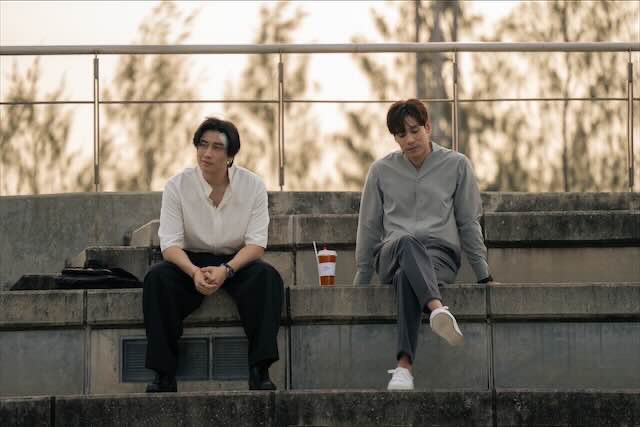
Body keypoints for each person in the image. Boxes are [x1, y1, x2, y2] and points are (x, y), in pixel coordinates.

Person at [353, 99, 494, 391]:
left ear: (428, 127)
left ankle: (404, 367)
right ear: (395, 138)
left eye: (415, 131)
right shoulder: (380, 170)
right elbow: (368, 228)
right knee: (406, 242)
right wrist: (361, 282)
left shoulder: (457, 165)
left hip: (438, 256)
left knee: (407, 276)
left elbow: (468, 223)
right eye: (401, 134)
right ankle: (437, 308)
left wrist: (484, 275)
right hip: (393, 252)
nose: (409, 140)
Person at [143, 117, 284, 392]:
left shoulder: (253, 186)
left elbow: (256, 244)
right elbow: (169, 244)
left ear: (231, 156)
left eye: (217, 147)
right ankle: (163, 373)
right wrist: (194, 272)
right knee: (157, 279)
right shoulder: (177, 186)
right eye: (202, 145)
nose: (207, 153)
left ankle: (260, 370)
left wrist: (227, 270)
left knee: (268, 279)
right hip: (190, 260)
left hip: (236, 262)